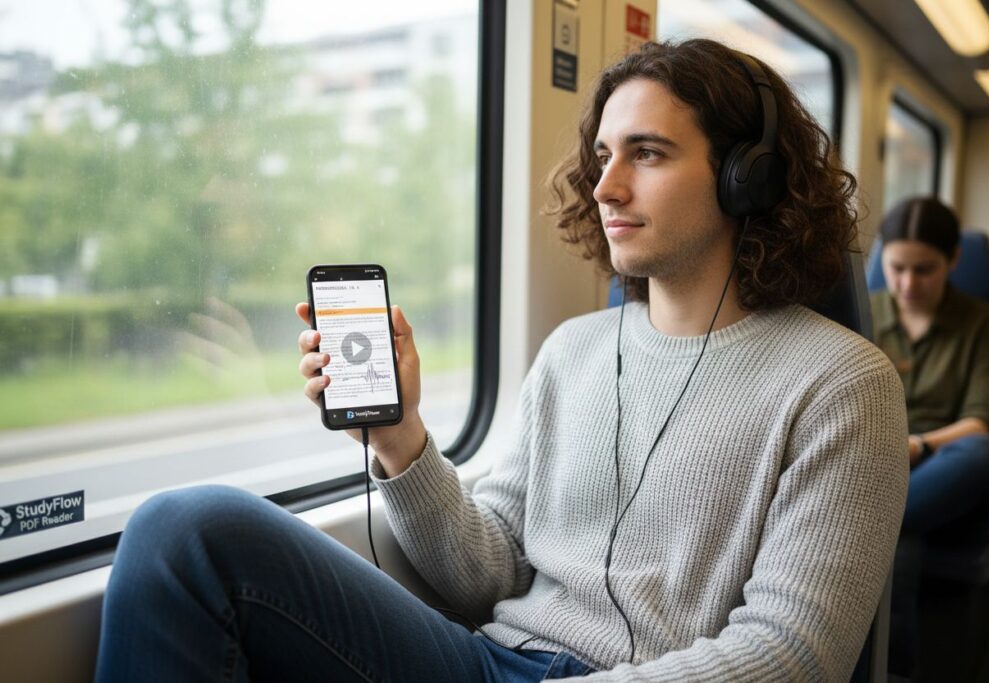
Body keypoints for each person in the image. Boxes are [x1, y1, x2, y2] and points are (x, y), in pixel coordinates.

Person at [95, 39, 908, 682]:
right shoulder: (572, 352)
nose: (606, 186)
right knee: (186, 529)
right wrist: (399, 435)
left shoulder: (841, 382)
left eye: (648, 154)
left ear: (747, 180)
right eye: (603, 156)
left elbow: (794, 652)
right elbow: (488, 574)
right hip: (488, 658)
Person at [870, 196, 989, 677]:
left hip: (949, 472)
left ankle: (874, 517)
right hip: (873, 468)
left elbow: (984, 421)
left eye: (925, 270)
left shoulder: (988, 325)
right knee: (902, 533)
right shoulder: (860, 313)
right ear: (881, 259)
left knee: (984, 454)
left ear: (954, 260)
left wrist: (918, 445)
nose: (908, 284)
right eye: (897, 268)